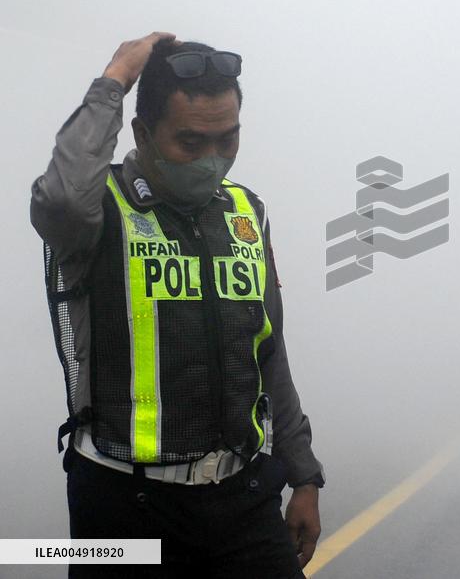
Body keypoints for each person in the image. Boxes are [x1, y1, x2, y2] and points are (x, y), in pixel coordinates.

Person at [30, 32, 325, 578]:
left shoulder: (246, 213)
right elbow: (60, 197)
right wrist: (116, 76)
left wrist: (303, 475)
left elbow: (268, 351)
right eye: (191, 143)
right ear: (142, 133)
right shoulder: (96, 213)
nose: (212, 159)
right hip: (121, 507)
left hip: (243, 496)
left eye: (228, 139)